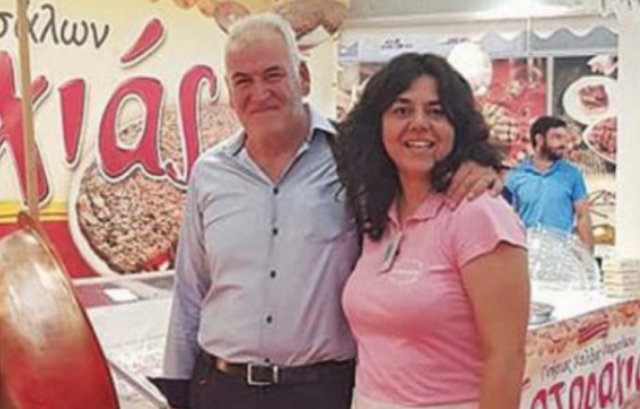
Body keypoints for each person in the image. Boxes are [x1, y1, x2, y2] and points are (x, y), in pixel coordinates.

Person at [156, 13, 503, 409]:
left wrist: (479, 166)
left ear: (303, 77)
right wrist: (176, 389)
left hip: (324, 392)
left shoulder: (356, 159)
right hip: (222, 389)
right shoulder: (209, 174)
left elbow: (421, 164)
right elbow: (190, 292)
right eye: (243, 80)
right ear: (230, 91)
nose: (259, 92)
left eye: (273, 75)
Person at [336, 53, 530, 409]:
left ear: (458, 127)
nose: (419, 123)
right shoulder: (377, 213)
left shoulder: (478, 214)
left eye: (436, 112)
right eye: (401, 110)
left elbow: (506, 356)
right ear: (377, 125)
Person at [505, 116, 595, 251]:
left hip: (561, 254)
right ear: (539, 140)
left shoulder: (572, 175)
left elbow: (583, 216)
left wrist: (588, 256)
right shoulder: (516, 176)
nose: (563, 144)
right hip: (526, 252)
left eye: (565, 138)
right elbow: (506, 217)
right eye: (557, 137)